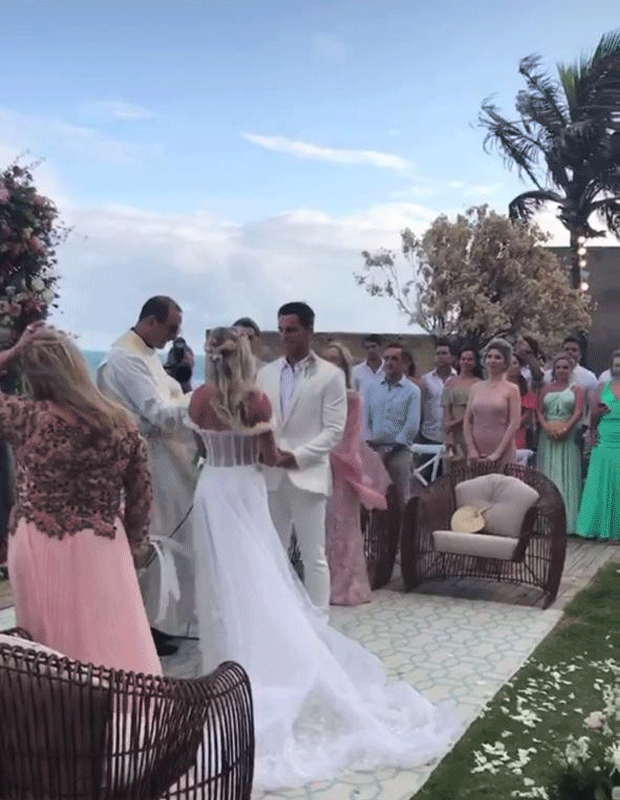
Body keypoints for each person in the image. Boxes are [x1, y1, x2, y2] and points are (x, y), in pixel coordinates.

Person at [188, 327, 455, 792]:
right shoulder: (255, 401)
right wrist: (271, 454)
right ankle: (262, 658)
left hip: (211, 488)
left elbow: (198, 448)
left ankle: (220, 666)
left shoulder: (196, 400)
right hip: (245, 489)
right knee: (260, 574)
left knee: (217, 577)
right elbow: (269, 455)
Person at [1, 323, 160, 675]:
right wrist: (132, 549)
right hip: (103, 544)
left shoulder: (27, 419)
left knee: (51, 648)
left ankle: (59, 708)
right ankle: (121, 705)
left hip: (39, 542)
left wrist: (12, 353)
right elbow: (141, 498)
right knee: (111, 638)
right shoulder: (121, 423)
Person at [97, 296, 198, 656]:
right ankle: (146, 627)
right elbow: (158, 413)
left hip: (164, 459)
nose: (173, 338)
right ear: (151, 322)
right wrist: (202, 402)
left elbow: (167, 397)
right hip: (146, 459)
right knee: (153, 540)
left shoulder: (147, 354)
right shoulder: (125, 358)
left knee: (167, 538)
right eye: (171, 329)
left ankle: (160, 620)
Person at [257, 302, 347, 610]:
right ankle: (276, 615)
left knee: (313, 555)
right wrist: (266, 453)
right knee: (273, 551)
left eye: (292, 330)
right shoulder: (266, 374)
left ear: (310, 330)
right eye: (281, 330)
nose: (286, 336)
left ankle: (319, 619)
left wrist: (294, 457)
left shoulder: (330, 376)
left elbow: (333, 430)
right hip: (271, 475)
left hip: (308, 474)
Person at [323, 341, 390, 606]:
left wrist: (329, 455)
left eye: (335, 361)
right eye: (327, 360)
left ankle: (344, 586)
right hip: (319, 465)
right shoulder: (317, 394)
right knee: (323, 528)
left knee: (343, 526)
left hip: (343, 467)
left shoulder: (352, 398)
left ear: (343, 366)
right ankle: (323, 583)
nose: (330, 366)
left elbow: (350, 439)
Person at [365, 342, 421, 508]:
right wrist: (371, 447)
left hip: (399, 453)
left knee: (401, 500)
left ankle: (403, 526)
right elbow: (365, 419)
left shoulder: (412, 391)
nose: (389, 362)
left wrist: (389, 450)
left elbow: (411, 425)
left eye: (395, 359)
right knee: (372, 498)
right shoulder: (372, 388)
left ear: (404, 363)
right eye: (387, 358)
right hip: (374, 452)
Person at [536, 353, 584, 534]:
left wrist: (566, 429)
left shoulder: (577, 389)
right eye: (558, 367)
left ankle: (567, 521)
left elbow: (578, 412)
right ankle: (546, 521)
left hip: (567, 436)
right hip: (547, 436)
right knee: (549, 473)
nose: (562, 370)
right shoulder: (545, 389)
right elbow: (539, 412)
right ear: (553, 370)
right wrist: (546, 428)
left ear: (571, 370)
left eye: (565, 367)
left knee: (566, 473)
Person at [576, 350, 620, 540]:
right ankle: (598, 527)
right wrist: (593, 431)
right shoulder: (603, 386)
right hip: (605, 434)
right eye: (616, 364)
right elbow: (593, 413)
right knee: (600, 479)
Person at [463, 338, 521, 468]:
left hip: (502, 451)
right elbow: (467, 420)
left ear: (505, 362)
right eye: (489, 357)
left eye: (497, 357)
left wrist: (497, 454)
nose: (492, 360)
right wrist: (471, 449)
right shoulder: (476, 387)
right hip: (476, 452)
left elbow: (514, 424)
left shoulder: (512, 389)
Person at [442, 346, 482, 467]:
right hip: (453, 433)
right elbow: (446, 409)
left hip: (472, 432)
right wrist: (449, 433)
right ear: (458, 361)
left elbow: (474, 411)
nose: (466, 362)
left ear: (475, 362)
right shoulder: (450, 382)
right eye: (463, 359)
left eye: (469, 359)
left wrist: (454, 424)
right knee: (452, 469)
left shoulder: (479, 384)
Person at [506, 354, 537, 452]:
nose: (511, 366)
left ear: (520, 367)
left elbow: (528, 414)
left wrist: (513, 424)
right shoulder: (497, 386)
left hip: (519, 431)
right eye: (508, 363)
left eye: (514, 363)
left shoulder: (525, 388)